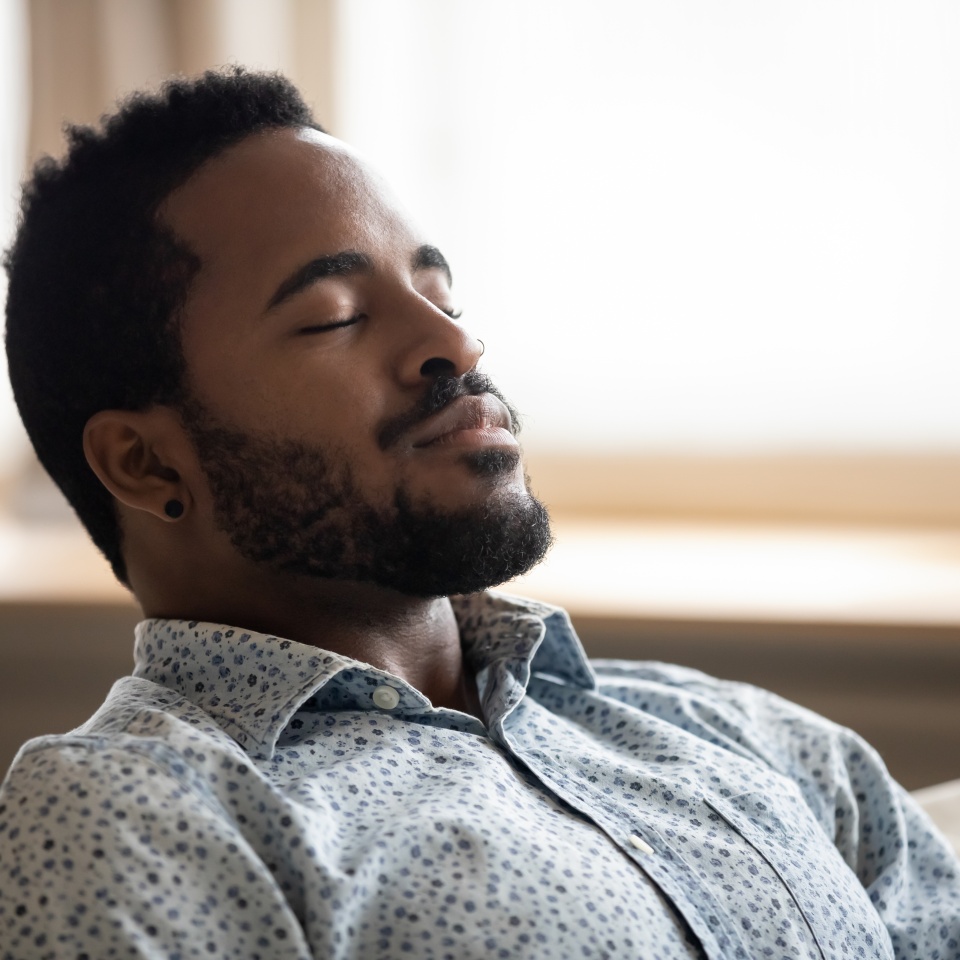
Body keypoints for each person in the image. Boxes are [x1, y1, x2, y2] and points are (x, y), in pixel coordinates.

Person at [0, 68, 957, 960]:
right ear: (147, 460)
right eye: (336, 314)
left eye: (438, 292)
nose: (454, 342)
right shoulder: (128, 811)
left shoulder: (739, 736)